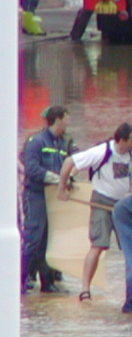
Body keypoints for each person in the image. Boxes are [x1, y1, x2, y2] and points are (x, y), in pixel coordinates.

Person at [57, 122, 132, 301]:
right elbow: (69, 162)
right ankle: (85, 290)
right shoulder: (102, 152)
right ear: (121, 140)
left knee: (131, 247)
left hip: (123, 205)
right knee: (98, 245)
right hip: (101, 201)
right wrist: (61, 189)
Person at [20, 106, 76, 294]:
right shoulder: (36, 141)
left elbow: (69, 165)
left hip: (53, 197)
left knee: (48, 240)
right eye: (67, 119)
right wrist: (58, 179)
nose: (69, 123)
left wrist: (69, 180)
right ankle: (19, 280)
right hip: (35, 195)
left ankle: (47, 283)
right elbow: (32, 169)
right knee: (33, 238)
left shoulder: (62, 143)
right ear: (58, 120)